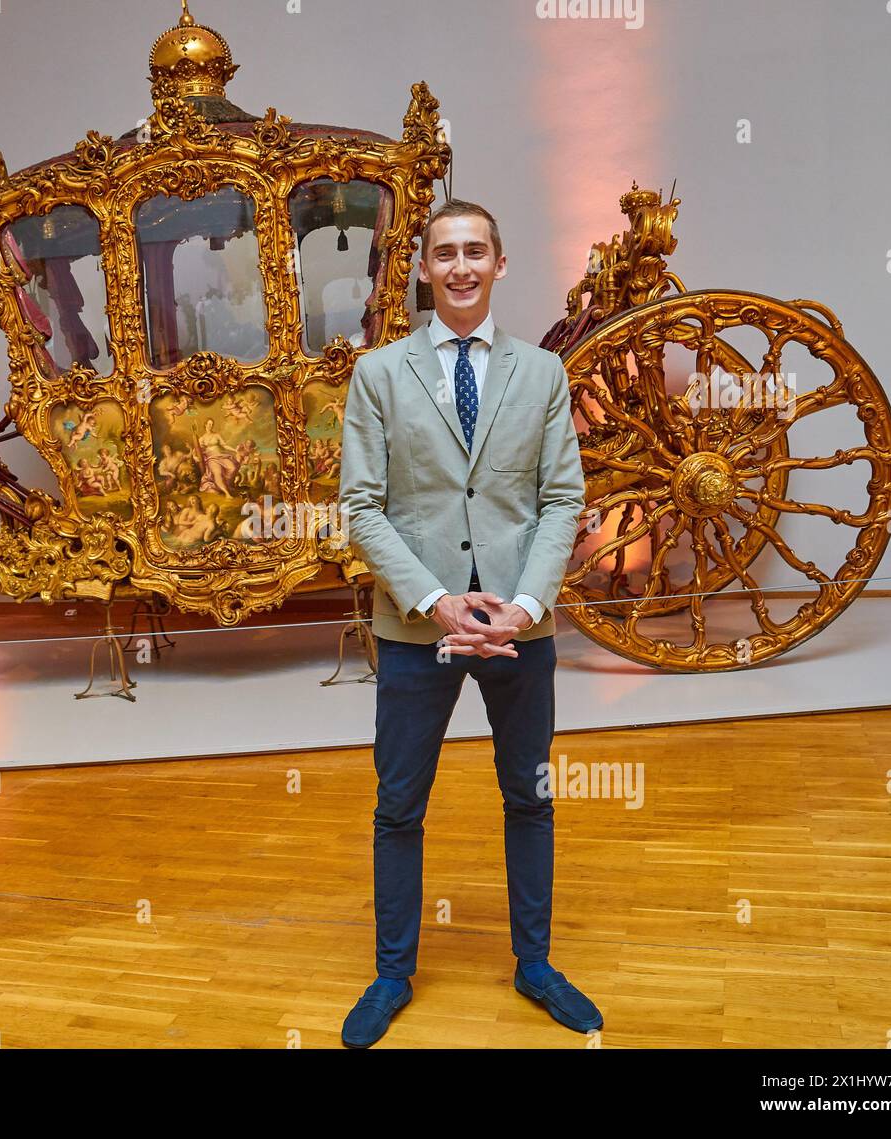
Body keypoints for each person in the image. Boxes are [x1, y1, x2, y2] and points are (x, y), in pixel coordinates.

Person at [337, 199, 598, 1048]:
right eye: (444, 253)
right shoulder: (379, 375)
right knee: (398, 805)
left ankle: (535, 964)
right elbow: (363, 508)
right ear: (422, 268)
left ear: (500, 263)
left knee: (530, 796)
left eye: (475, 252)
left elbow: (562, 499)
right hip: (420, 627)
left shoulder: (542, 375)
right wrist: (438, 600)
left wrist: (523, 606)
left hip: (521, 626)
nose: (459, 267)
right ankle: (391, 974)